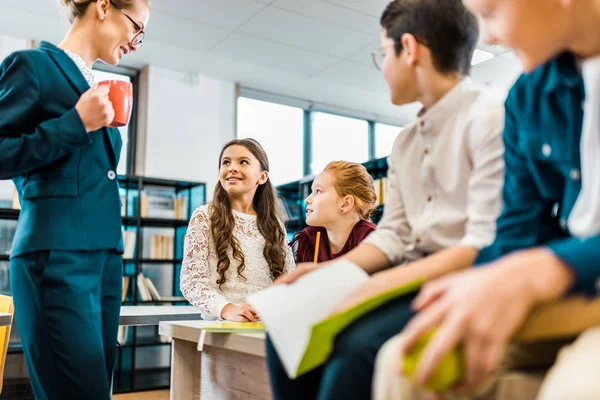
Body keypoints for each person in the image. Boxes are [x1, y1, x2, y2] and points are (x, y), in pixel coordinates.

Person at [267, 1, 505, 398]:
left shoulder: (489, 118)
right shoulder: (406, 142)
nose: (383, 67)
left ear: (408, 48)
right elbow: (394, 232)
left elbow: (483, 242)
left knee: (356, 351)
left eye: (383, 53)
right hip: (413, 277)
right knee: (286, 327)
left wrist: (373, 285)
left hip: (466, 279)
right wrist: (332, 272)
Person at [374, 1, 600, 399]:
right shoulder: (528, 97)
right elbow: (515, 229)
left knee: (576, 387)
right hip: (575, 291)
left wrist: (550, 267)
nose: (490, 35)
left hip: (575, 279)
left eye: (492, 11)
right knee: (403, 362)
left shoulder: (487, 113)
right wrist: (483, 285)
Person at [0, 0, 149, 398]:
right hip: (56, 258)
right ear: (103, 6)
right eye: (136, 27)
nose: (136, 43)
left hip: (104, 263)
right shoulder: (32, 67)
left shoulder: (96, 88)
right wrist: (75, 124)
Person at [180, 138, 295, 322]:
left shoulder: (275, 226)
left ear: (262, 177)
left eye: (243, 162)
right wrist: (226, 309)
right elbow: (191, 282)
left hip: (267, 326)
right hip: (221, 328)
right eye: (226, 162)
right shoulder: (204, 216)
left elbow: (288, 282)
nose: (232, 168)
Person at [291, 161, 377, 264]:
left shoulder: (372, 241)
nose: (307, 199)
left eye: (318, 191)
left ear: (345, 204)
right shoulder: (308, 240)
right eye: (311, 191)